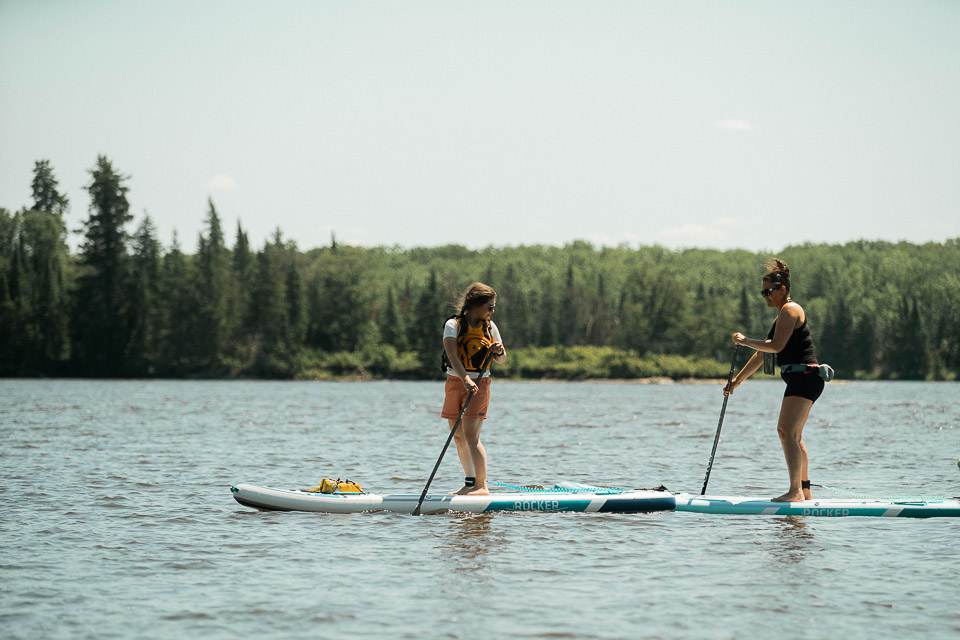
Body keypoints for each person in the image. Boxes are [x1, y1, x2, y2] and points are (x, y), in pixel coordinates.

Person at [724, 259, 825, 502]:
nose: (766, 296)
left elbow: (776, 346)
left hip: (805, 377)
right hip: (804, 379)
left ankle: (795, 492)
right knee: (793, 435)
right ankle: (805, 491)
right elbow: (762, 355)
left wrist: (745, 340)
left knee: (785, 431)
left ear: (782, 289)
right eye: (763, 292)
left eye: (768, 291)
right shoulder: (782, 316)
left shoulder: (790, 310)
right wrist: (737, 381)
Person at [440, 282, 507, 496]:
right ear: (476, 304)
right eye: (490, 307)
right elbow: (452, 355)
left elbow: (502, 360)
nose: (492, 311)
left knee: (471, 435)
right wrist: (465, 379)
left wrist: (499, 351)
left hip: (480, 384)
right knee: (458, 435)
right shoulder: (453, 324)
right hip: (456, 382)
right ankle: (470, 483)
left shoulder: (490, 327)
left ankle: (481, 486)